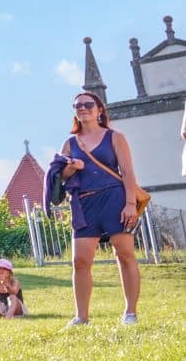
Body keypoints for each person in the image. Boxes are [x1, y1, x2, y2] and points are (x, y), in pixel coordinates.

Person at [49, 91, 142, 327]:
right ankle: (82, 317)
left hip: (115, 199)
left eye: (88, 104)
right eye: (77, 105)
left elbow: (127, 172)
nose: (83, 108)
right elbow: (62, 178)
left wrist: (131, 203)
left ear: (99, 110)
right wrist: (72, 168)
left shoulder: (115, 137)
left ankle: (130, 312)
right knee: (80, 261)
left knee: (124, 255)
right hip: (85, 204)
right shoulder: (69, 144)